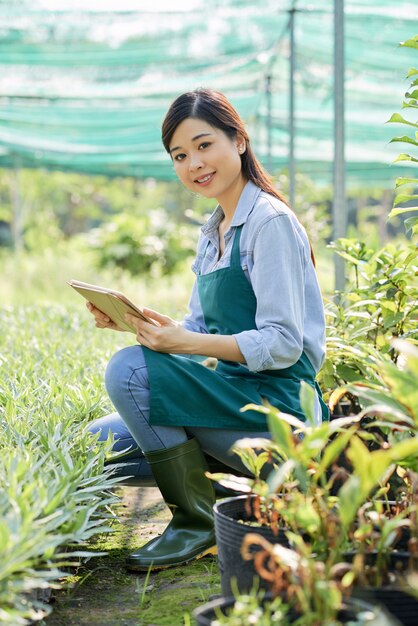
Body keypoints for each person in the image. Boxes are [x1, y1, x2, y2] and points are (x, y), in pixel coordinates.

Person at [87, 87, 328, 572]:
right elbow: (197, 328)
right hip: (230, 400)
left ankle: (197, 523)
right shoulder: (215, 229)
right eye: (180, 155)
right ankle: (251, 503)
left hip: (278, 413)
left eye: (203, 145)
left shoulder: (270, 223)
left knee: (130, 373)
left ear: (238, 141)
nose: (193, 163)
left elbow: (283, 343)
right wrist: (141, 324)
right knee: (95, 446)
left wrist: (183, 343)